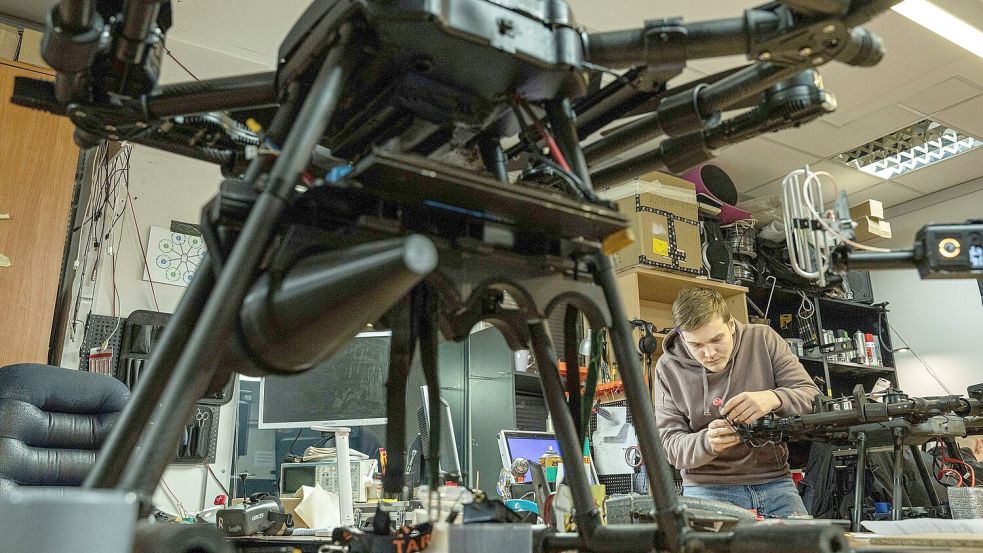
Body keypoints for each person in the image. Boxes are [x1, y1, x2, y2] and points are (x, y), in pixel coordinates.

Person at [654, 287, 820, 518]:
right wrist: (707, 443)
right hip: (707, 488)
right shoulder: (667, 368)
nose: (709, 353)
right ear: (682, 338)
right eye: (697, 346)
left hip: (774, 481)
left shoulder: (763, 338)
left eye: (716, 339)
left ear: (731, 325)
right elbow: (670, 445)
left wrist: (773, 398)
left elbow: (812, 397)